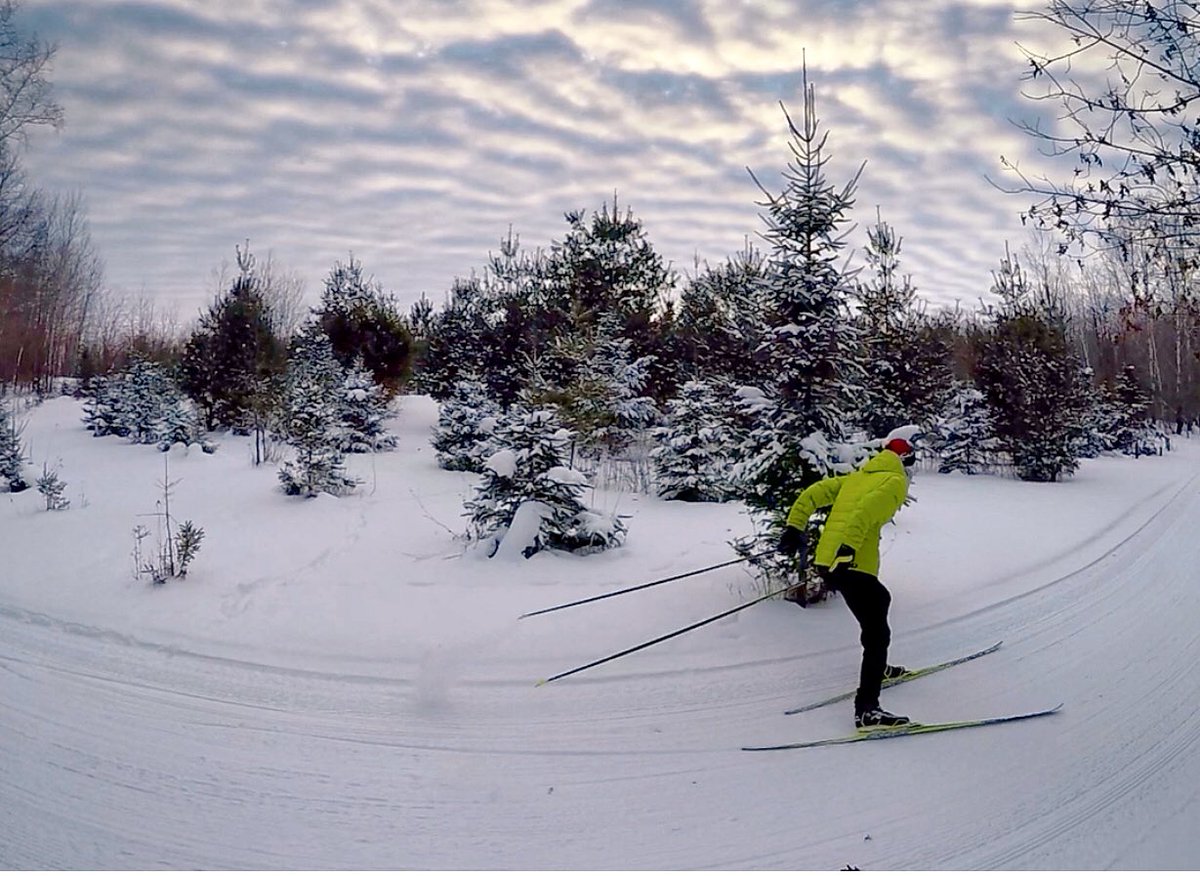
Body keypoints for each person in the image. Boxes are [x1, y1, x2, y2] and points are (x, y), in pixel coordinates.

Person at [777, 436, 916, 729]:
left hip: (830, 563)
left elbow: (814, 493)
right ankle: (867, 710)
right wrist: (848, 549)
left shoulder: (855, 478)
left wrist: (795, 525)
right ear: (905, 461)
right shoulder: (894, 482)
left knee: (877, 607)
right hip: (849, 562)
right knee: (877, 631)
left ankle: (879, 669)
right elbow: (865, 512)